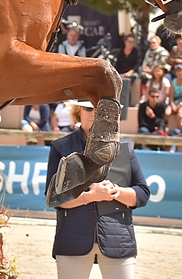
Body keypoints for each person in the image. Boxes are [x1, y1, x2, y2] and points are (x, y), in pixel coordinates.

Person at [46, 100, 150, 278]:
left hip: (118, 239)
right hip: (72, 239)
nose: (95, 113)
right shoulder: (61, 147)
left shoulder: (125, 148)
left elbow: (142, 194)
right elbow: (54, 199)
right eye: (89, 108)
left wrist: (114, 192)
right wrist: (91, 196)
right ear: (78, 112)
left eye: (101, 109)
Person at [112, 34, 140, 105]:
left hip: (131, 73)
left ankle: (128, 102)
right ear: (125, 42)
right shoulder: (121, 52)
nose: (131, 44)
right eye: (129, 41)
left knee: (127, 81)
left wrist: (129, 73)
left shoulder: (136, 52)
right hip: (121, 73)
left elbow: (137, 65)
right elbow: (117, 65)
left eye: (132, 42)